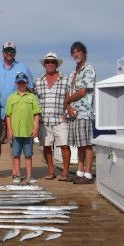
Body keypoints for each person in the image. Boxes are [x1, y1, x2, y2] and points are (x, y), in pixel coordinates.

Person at [0, 41, 34, 179]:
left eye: (12, 51)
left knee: (13, 142)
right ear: (2, 52)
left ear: (15, 52)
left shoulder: (23, 67)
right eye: (7, 50)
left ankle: (15, 172)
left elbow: (31, 90)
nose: (9, 53)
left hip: (17, 113)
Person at [34, 52, 71, 181]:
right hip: (44, 120)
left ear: (57, 64)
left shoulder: (66, 79)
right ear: (44, 64)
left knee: (65, 146)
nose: (50, 64)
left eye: (53, 62)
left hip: (60, 119)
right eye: (48, 62)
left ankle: (65, 172)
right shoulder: (38, 81)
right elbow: (35, 100)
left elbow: (69, 98)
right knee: (46, 146)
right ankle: (51, 171)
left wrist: (66, 114)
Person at [65, 41, 96, 184]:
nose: (76, 54)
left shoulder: (89, 69)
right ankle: (80, 171)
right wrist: (68, 107)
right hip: (73, 114)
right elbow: (68, 92)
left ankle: (88, 174)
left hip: (83, 112)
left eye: (78, 51)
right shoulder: (72, 72)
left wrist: (67, 102)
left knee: (87, 144)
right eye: (73, 52)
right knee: (79, 144)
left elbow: (83, 91)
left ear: (84, 53)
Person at [6, 72, 40, 184]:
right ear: (16, 84)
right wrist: (9, 130)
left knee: (28, 155)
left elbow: (36, 114)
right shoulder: (11, 98)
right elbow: (8, 116)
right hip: (16, 132)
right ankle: (17, 175)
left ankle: (29, 176)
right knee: (16, 155)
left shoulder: (32, 97)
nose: (21, 85)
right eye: (19, 83)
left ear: (27, 83)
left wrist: (35, 128)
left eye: (23, 83)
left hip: (28, 132)